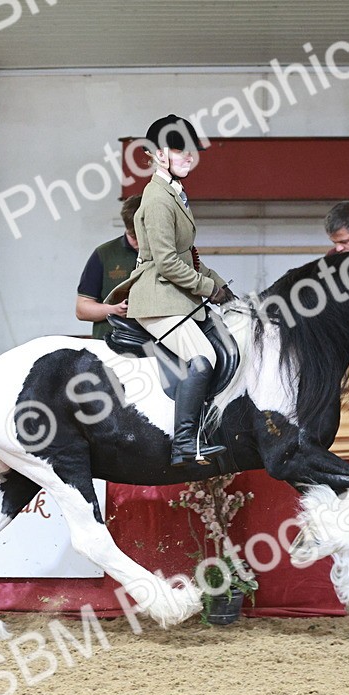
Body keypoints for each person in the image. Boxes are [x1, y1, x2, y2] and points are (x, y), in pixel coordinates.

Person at [109, 114, 234, 467]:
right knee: (203, 357)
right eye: (181, 151)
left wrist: (220, 284)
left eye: (191, 150)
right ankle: (184, 443)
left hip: (175, 294)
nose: (190, 157)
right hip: (157, 298)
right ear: (160, 155)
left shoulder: (173, 192)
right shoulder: (158, 198)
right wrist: (208, 288)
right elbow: (166, 263)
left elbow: (186, 256)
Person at [75, 195, 142, 339]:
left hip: (153, 345)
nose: (139, 243)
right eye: (134, 237)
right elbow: (82, 309)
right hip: (109, 345)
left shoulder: (166, 254)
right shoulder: (104, 254)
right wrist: (114, 310)